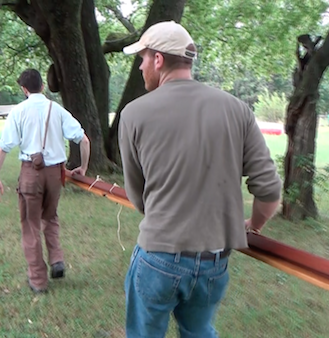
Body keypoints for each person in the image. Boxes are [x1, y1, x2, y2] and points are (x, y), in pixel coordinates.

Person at [119, 21, 282, 337]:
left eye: (142, 57)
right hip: (214, 261)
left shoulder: (133, 114)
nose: (140, 66)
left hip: (159, 256)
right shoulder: (237, 110)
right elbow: (269, 189)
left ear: (158, 59)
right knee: (199, 331)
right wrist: (256, 224)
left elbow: (138, 198)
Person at [0, 69, 90, 294]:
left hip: (30, 173)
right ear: (43, 86)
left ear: (24, 90)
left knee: (30, 224)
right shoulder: (57, 110)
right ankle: (57, 260)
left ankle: (38, 280)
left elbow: (4, 146)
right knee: (50, 216)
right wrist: (83, 166)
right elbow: (83, 139)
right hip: (56, 174)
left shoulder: (19, 111)